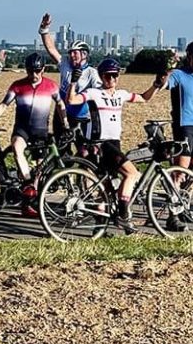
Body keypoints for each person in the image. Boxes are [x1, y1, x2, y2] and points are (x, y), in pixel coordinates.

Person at [67, 58, 165, 233]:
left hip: (114, 143)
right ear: (101, 76)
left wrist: (156, 85)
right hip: (102, 144)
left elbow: (143, 98)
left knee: (105, 187)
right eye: (108, 76)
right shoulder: (93, 93)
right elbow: (72, 100)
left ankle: (99, 229)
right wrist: (74, 82)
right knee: (132, 174)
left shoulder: (121, 94)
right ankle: (123, 214)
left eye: (115, 75)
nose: (111, 79)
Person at [0, 52, 68, 217]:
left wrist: (66, 124)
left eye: (37, 71)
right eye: (30, 71)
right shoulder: (18, 85)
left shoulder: (51, 86)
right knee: (16, 146)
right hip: (22, 129)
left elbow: (60, 104)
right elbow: (3, 105)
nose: (34, 75)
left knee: (39, 171)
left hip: (41, 131)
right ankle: (27, 184)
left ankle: (29, 202)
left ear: (43, 69)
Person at [163, 40, 193, 230]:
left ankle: (184, 209)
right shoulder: (179, 75)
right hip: (183, 127)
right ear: (189, 58)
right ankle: (172, 216)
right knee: (180, 173)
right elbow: (164, 83)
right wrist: (168, 67)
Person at [38, 13, 101, 136]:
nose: (72, 56)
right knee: (61, 148)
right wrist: (44, 29)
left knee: (83, 150)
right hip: (62, 113)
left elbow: (99, 93)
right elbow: (51, 49)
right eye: (70, 53)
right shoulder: (65, 64)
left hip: (82, 115)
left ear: (84, 54)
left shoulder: (91, 73)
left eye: (75, 53)